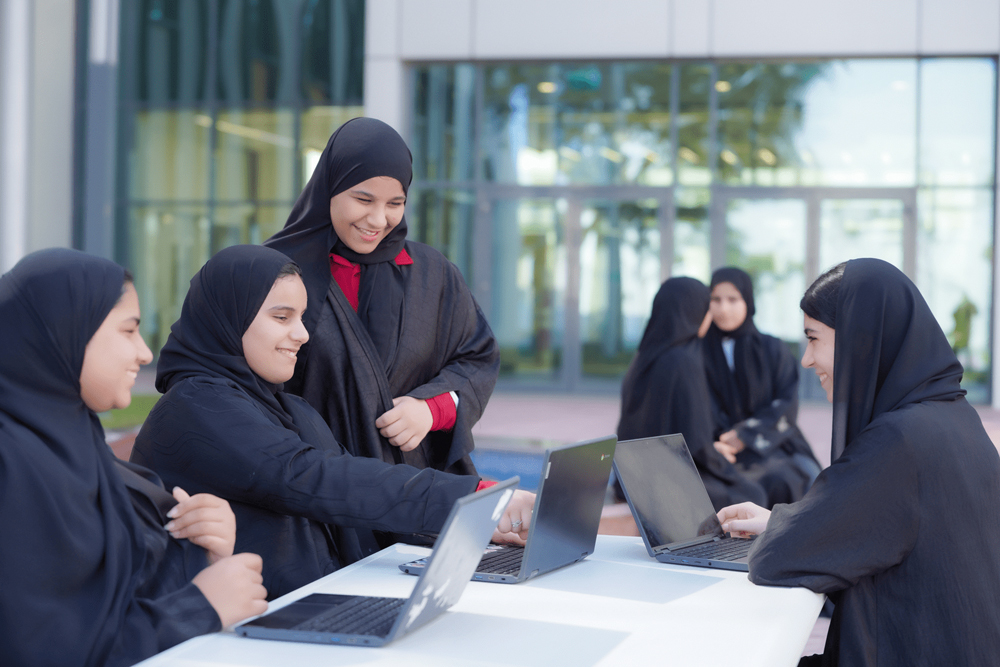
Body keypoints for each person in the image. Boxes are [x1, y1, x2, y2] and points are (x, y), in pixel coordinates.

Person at [131, 245, 533, 599]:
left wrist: (475, 528)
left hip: (321, 607)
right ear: (229, 319)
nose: (302, 334)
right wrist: (478, 500)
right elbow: (319, 479)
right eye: (282, 317)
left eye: (302, 317)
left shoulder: (290, 410)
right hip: (249, 634)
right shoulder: (196, 407)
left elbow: (355, 502)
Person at [717, 259, 1000, 666]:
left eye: (814, 339)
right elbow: (872, 521)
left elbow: (776, 559)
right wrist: (779, 519)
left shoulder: (899, 440)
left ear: (861, 339)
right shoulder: (952, 417)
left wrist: (783, 530)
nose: (807, 360)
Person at [0, 248, 267, 667]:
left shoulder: (76, 448)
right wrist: (200, 607)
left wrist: (206, 552)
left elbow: (123, 596)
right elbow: (39, 647)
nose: (144, 353)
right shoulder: (14, 468)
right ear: (65, 331)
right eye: (128, 331)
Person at [264, 117, 497, 477]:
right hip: (309, 489)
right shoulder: (271, 273)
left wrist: (431, 409)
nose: (378, 219)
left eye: (395, 203)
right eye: (363, 199)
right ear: (329, 188)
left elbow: (476, 357)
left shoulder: (432, 275)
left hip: (415, 492)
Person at [616, 276, 766, 510]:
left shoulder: (643, 358)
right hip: (664, 483)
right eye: (707, 308)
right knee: (751, 493)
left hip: (630, 477)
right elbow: (697, 444)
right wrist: (720, 462)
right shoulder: (685, 361)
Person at [703, 267, 820, 506]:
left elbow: (786, 403)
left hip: (772, 444)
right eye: (716, 299)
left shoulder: (772, 349)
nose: (723, 308)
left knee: (788, 479)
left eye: (733, 299)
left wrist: (745, 434)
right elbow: (698, 403)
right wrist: (716, 443)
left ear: (747, 300)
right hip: (718, 450)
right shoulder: (697, 352)